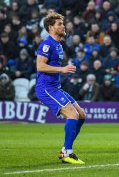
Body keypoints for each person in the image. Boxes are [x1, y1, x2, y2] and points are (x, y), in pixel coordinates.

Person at [35, 12, 85, 164]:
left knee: (81, 115)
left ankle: (65, 149)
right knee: (72, 115)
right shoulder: (47, 44)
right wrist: (62, 69)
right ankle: (68, 153)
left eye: (62, 24)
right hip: (46, 88)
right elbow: (40, 66)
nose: (63, 26)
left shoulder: (59, 45)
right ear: (51, 27)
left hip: (55, 87)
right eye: (59, 24)